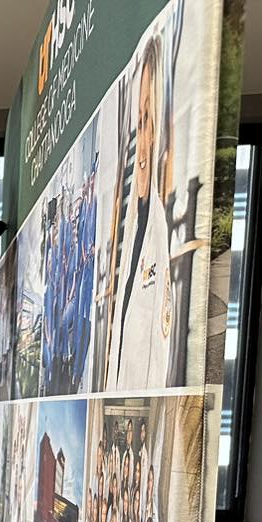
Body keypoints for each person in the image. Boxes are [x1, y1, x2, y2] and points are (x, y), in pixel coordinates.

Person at [106, 34, 175, 391]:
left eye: (148, 121)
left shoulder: (159, 238)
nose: (141, 141)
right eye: (138, 121)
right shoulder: (127, 231)